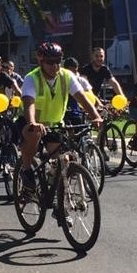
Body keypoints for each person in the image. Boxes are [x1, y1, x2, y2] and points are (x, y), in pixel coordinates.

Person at [17, 42, 103, 192]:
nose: (55, 66)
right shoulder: (32, 78)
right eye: (50, 62)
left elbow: (82, 98)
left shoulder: (66, 76)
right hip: (30, 123)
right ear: (41, 61)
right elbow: (29, 103)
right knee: (34, 133)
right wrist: (33, 122)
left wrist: (96, 116)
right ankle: (26, 171)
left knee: (64, 161)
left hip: (55, 124)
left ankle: (59, 197)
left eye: (58, 61)